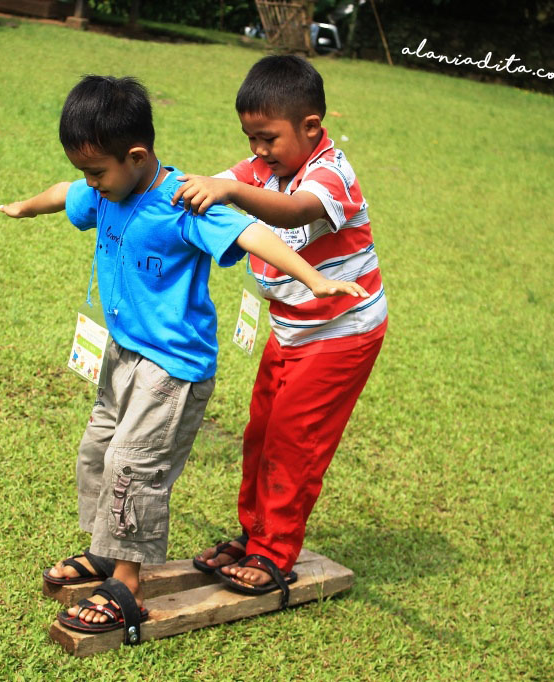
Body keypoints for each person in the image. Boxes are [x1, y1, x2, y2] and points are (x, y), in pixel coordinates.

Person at [0, 74, 368, 642]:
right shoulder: (105, 191)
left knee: (132, 465)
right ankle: (105, 551)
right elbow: (62, 193)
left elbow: (252, 234)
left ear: (136, 156)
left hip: (171, 367)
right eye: (85, 173)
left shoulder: (181, 202)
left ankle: (127, 584)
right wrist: (26, 207)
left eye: (96, 172)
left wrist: (313, 278)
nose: (90, 185)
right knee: (97, 450)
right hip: (123, 354)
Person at [172, 55, 388, 602]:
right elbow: (211, 183)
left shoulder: (332, 174)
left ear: (311, 127)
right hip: (290, 327)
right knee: (262, 432)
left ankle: (275, 550)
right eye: (250, 138)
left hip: (341, 333)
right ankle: (254, 535)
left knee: (295, 441)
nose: (257, 151)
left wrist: (231, 193)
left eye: (267, 138)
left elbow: (292, 212)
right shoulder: (262, 167)